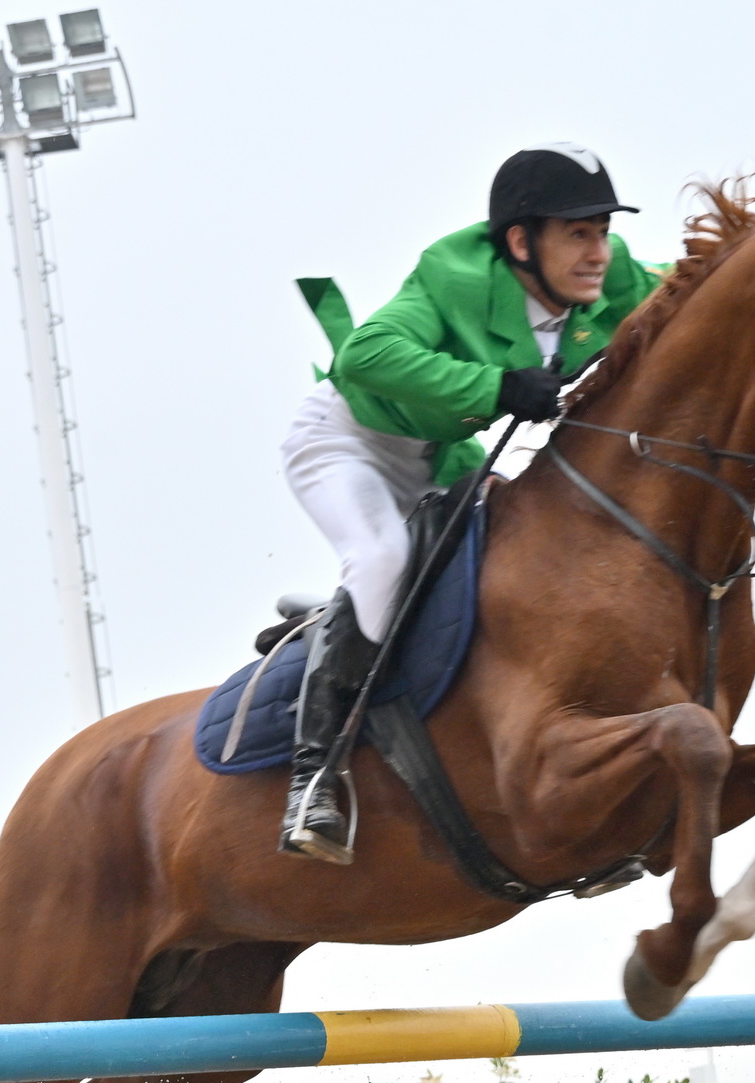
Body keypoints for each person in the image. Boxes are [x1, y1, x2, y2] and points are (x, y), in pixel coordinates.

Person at [278, 143, 664, 863]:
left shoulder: (612, 278)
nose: (599, 253)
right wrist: (496, 389)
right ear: (520, 242)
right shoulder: (451, 275)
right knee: (383, 557)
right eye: (578, 234)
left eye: (604, 231)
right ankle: (314, 774)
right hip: (345, 444)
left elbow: (695, 286)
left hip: (438, 456)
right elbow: (365, 355)